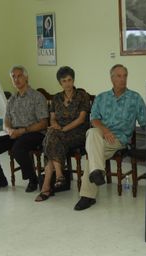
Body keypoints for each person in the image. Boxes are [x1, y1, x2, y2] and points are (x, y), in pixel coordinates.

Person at [74, 64, 146, 211]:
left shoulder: (135, 98)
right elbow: (94, 119)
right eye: (119, 76)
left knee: (93, 153)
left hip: (119, 139)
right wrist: (105, 130)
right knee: (92, 133)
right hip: (101, 134)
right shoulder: (101, 97)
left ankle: (87, 195)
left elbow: (145, 122)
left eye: (125, 76)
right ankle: (97, 172)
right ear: (112, 78)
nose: (123, 79)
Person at [0, 65, 49, 193]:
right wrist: (9, 130)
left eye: (19, 76)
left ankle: (32, 179)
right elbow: (6, 121)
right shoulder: (11, 100)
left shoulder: (37, 96)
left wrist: (22, 131)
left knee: (18, 148)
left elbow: (43, 123)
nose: (16, 79)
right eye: (13, 77)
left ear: (26, 77)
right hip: (15, 133)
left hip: (35, 133)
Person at [35, 66, 90, 202]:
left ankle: (47, 186)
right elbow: (52, 117)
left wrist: (63, 129)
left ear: (73, 80)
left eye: (69, 80)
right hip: (59, 133)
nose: (67, 83)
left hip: (77, 133)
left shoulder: (82, 96)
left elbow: (81, 119)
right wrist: (55, 125)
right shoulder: (57, 98)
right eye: (64, 81)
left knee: (50, 139)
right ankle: (56, 178)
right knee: (53, 138)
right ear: (60, 83)